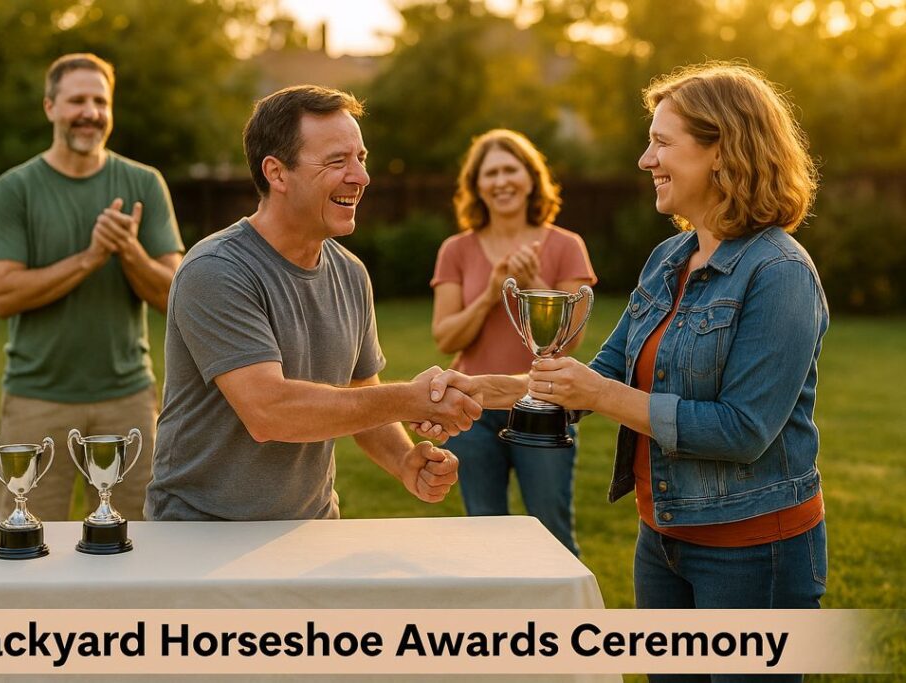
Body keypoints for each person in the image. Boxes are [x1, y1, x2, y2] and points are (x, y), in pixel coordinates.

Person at [425, 62, 826, 682]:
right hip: (661, 536)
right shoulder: (670, 258)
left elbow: (743, 430)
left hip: (753, 550)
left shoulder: (779, 273)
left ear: (723, 151)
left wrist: (602, 394)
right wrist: (495, 388)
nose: (646, 160)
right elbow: (605, 370)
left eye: (662, 143)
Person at [144, 85, 479, 522]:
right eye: (337, 161)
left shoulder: (351, 273)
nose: (360, 177)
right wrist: (410, 400)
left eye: (361, 158)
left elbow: (362, 394)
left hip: (310, 524)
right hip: (200, 530)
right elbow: (269, 412)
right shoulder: (216, 270)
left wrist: (403, 461)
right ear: (277, 173)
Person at [0, 53, 184, 522]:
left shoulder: (143, 183)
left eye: (100, 101)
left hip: (127, 399)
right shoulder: (15, 189)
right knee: (26, 542)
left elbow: (176, 297)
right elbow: (3, 295)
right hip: (36, 399)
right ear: (50, 107)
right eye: (76, 100)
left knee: (139, 544)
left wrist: (128, 250)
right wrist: (90, 257)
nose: (89, 111)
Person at [429, 129, 596, 554]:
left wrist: (531, 285)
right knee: (485, 534)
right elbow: (445, 335)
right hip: (473, 407)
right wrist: (490, 295)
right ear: (477, 186)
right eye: (491, 173)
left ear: (530, 178)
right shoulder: (456, 249)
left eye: (510, 169)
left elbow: (570, 341)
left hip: (542, 405)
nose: (501, 181)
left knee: (552, 531)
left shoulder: (566, 245)